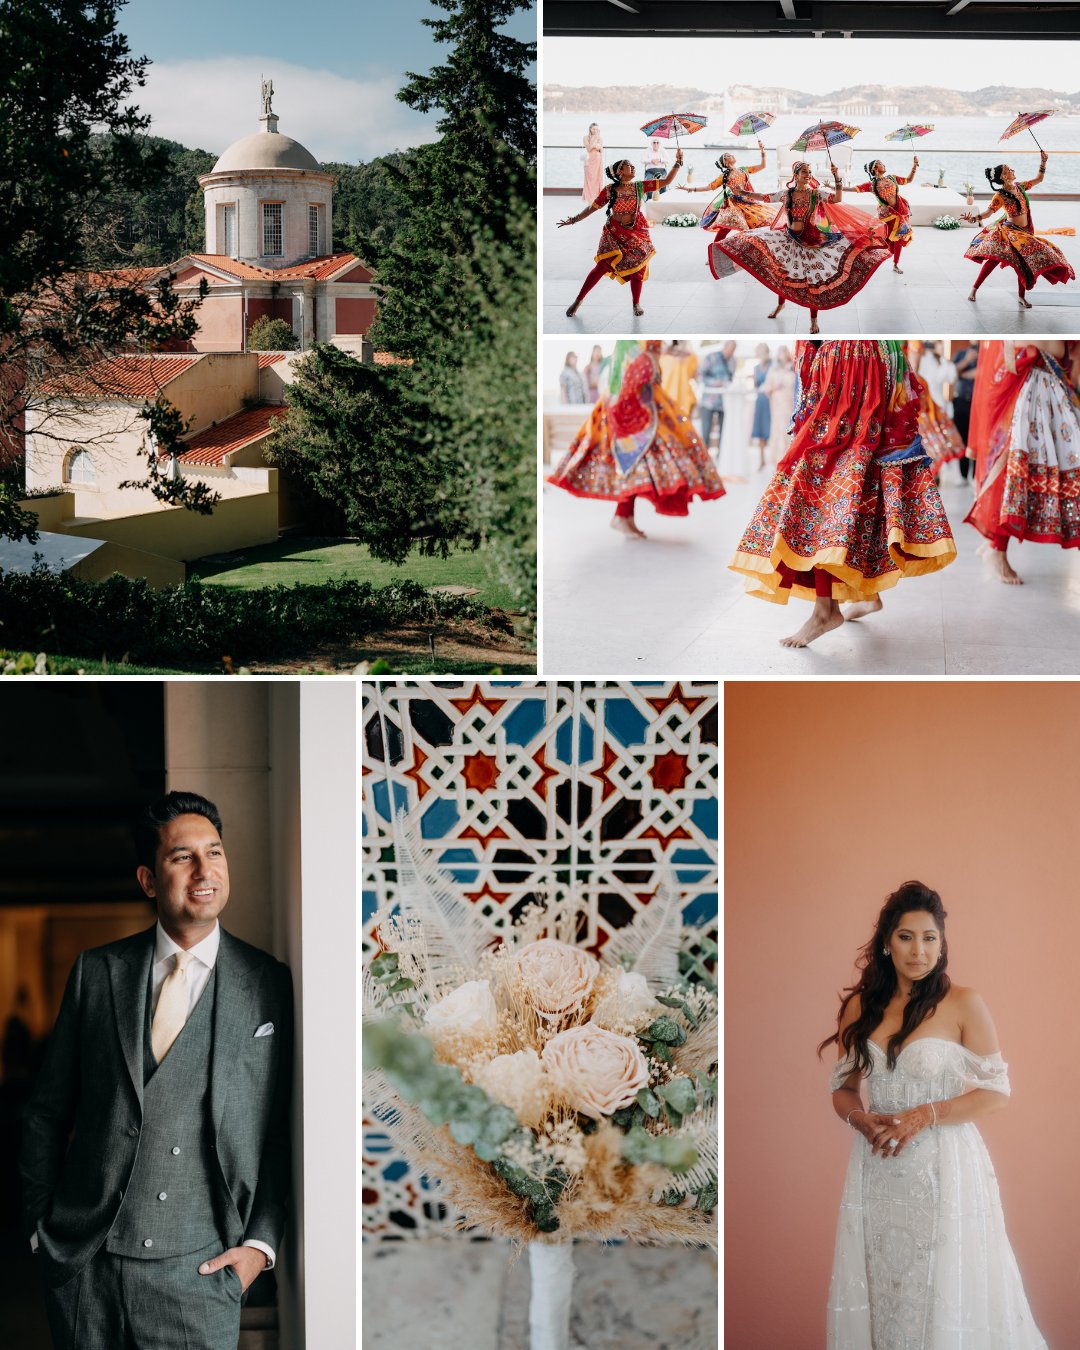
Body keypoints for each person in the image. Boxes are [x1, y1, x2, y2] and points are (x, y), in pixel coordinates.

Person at [20, 791, 293, 1350]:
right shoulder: (97, 973)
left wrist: (260, 1247)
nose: (204, 870)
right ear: (148, 880)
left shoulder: (269, 983)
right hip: (84, 1271)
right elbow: (46, 1111)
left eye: (214, 853)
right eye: (182, 857)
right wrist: (40, 1231)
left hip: (201, 1277)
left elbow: (282, 1130)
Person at [820, 881, 1045, 1350]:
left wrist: (927, 1113)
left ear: (942, 944)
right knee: (885, 1286)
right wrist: (860, 1120)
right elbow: (843, 1090)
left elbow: (996, 1092)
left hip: (944, 1171)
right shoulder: (861, 1008)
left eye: (929, 938)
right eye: (906, 937)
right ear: (886, 942)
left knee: (944, 1288)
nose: (918, 950)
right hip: (877, 1172)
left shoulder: (963, 1002)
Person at [730, 340, 956, 648]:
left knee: (826, 486)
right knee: (858, 482)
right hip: (872, 361)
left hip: (848, 363)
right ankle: (865, 594)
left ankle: (826, 610)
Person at [547, 339, 725, 539]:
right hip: (632, 410)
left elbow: (646, 351)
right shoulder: (637, 355)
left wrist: (668, 352)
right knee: (634, 465)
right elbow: (630, 369)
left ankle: (624, 516)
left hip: (642, 407)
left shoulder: (644, 352)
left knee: (636, 467)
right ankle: (622, 516)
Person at [709, 161, 890, 334]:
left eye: (809, 172)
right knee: (781, 271)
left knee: (812, 280)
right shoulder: (786, 194)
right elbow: (764, 197)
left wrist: (837, 178)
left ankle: (813, 320)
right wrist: (744, 193)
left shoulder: (816, 193)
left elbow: (837, 198)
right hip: (788, 238)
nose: (808, 175)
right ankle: (781, 304)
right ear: (796, 175)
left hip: (811, 241)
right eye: (804, 172)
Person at [965, 339, 1080, 583]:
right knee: (1011, 468)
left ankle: (993, 543)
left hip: (1043, 386)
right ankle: (997, 547)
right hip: (1030, 390)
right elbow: (1046, 344)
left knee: (1014, 468)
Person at [559, 153, 684, 319]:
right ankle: (578, 300)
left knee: (639, 268)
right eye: (628, 165)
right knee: (601, 267)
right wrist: (574, 220)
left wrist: (677, 162)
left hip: (636, 231)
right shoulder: (609, 190)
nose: (633, 167)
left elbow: (666, 182)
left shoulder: (640, 186)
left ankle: (636, 303)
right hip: (614, 232)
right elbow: (592, 208)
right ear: (619, 172)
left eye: (632, 165)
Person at [962, 155, 1075, 307]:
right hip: (1009, 232)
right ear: (1003, 176)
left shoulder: (1020, 187)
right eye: (1009, 169)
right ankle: (974, 290)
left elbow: (1039, 179)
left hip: (1024, 232)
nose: (1013, 170)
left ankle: (1021, 297)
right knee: (994, 260)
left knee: (1025, 261)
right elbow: (989, 213)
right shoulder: (1000, 196)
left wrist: (1043, 162)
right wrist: (974, 219)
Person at [682, 142, 773, 237]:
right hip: (734, 204)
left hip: (748, 201)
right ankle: (716, 247)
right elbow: (709, 187)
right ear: (726, 162)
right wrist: (690, 189)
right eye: (729, 155)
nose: (732, 155)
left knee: (757, 222)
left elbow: (762, 166)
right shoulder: (724, 176)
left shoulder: (743, 169)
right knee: (726, 228)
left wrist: (763, 152)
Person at [851, 156, 918, 273]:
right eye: (881, 163)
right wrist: (836, 186)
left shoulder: (892, 178)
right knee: (885, 241)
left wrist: (914, 167)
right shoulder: (872, 184)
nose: (884, 165)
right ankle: (865, 258)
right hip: (888, 215)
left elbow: (909, 180)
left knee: (899, 239)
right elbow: (855, 189)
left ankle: (895, 264)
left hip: (901, 212)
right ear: (875, 168)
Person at [911, 340, 965, 475]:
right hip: (925, 409)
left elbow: (950, 377)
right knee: (929, 445)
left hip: (937, 406)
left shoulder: (938, 361)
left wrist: (944, 359)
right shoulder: (922, 359)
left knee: (938, 446)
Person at [698, 341, 736, 458]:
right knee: (706, 430)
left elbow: (731, 378)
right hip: (709, 400)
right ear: (725, 347)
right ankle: (704, 457)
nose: (732, 352)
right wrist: (715, 383)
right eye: (731, 348)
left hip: (724, 402)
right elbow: (700, 375)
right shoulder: (711, 357)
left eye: (734, 349)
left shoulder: (733, 361)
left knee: (723, 431)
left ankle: (721, 456)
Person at [762, 345, 795, 467]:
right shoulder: (774, 370)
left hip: (789, 404)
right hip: (777, 405)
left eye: (785, 352)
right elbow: (767, 388)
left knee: (789, 429)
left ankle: (789, 457)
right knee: (778, 429)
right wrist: (776, 386)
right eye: (781, 352)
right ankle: (778, 458)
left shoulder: (793, 368)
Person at [951, 341, 980, 481]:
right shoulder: (961, 354)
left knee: (977, 439)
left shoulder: (985, 353)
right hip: (961, 401)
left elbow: (984, 372)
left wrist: (966, 374)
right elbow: (952, 373)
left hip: (978, 402)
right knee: (961, 439)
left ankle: (975, 476)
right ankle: (962, 475)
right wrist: (966, 361)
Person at [659, 340, 698, 417]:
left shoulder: (663, 358)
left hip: (673, 399)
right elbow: (694, 375)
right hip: (678, 400)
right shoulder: (692, 358)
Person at [749, 344, 772, 470]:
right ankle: (762, 460)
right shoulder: (756, 368)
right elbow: (755, 386)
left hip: (770, 400)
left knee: (772, 429)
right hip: (760, 400)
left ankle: (773, 460)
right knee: (761, 431)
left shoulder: (773, 365)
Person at [582, 123, 603, 204]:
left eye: (597, 129)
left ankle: (597, 198)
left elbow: (601, 150)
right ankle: (589, 199)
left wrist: (599, 147)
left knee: (597, 178)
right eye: (594, 129)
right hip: (588, 159)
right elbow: (589, 148)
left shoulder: (600, 138)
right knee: (589, 178)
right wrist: (594, 140)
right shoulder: (585, 137)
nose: (595, 131)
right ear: (590, 129)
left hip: (597, 159)